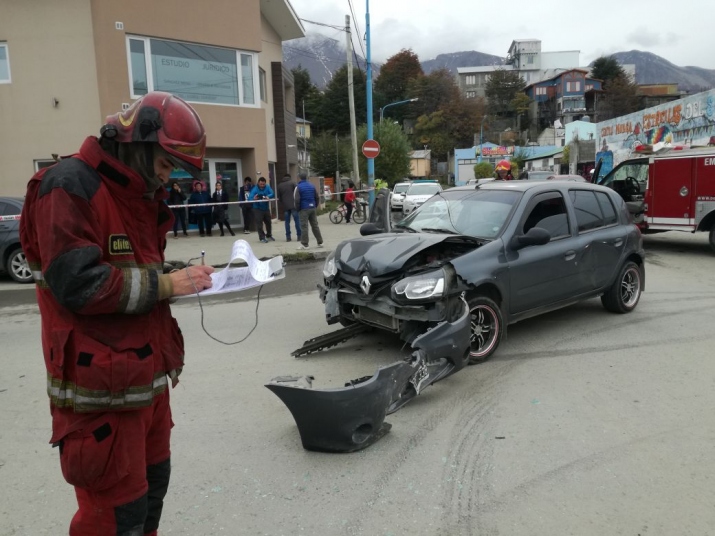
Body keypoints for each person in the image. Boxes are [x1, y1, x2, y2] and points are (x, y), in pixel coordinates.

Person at [18, 91, 215, 535]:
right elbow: (79, 283)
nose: (167, 180)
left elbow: (128, 269)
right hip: (100, 396)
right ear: (138, 145)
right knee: (111, 519)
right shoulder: (70, 185)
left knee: (148, 504)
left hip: (144, 384)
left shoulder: (132, 195)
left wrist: (178, 274)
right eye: (165, 165)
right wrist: (165, 284)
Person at [294, 173, 323, 250]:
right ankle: (320, 242)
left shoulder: (298, 187)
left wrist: (298, 209)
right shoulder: (312, 185)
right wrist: (315, 205)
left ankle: (305, 244)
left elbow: (297, 200)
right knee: (315, 225)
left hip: (303, 208)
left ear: (299, 178)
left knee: (304, 226)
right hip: (312, 207)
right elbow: (317, 197)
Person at [249, 176, 275, 243]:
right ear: (258, 183)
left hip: (266, 208)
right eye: (261, 184)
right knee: (259, 224)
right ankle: (262, 237)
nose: (262, 185)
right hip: (257, 208)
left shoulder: (267, 187)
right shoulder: (255, 189)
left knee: (268, 222)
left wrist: (267, 196)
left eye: (263, 184)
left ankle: (269, 235)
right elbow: (249, 198)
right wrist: (254, 198)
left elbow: (272, 193)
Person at [277, 173, 301, 242]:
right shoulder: (293, 183)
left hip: (285, 206)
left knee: (287, 222)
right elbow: (297, 193)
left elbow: (279, 197)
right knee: (297, 221)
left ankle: (288, 237)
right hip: (293, 205)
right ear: (289, 177)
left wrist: (283, 203)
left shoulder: (280, 185)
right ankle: (299, 236)